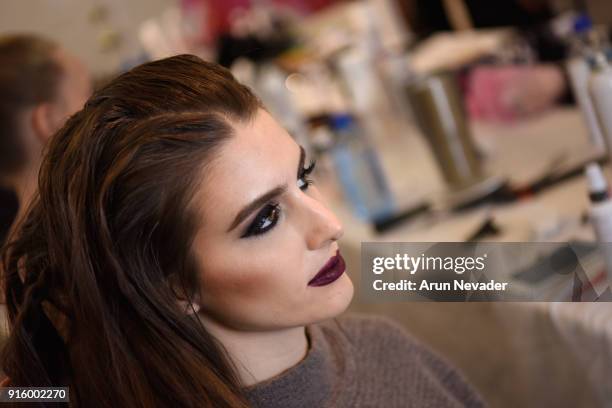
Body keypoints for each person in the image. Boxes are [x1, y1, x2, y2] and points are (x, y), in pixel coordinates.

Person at [0, 54, 486, 407]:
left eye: (304, 178)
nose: (330, 225)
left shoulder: (388, 350)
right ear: (171, 283)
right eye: (265, 219)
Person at [0, 34, 92, 244]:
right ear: (48, 122)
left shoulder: (11, 261)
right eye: (87, 96)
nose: (99, 110)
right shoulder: (94, 233)